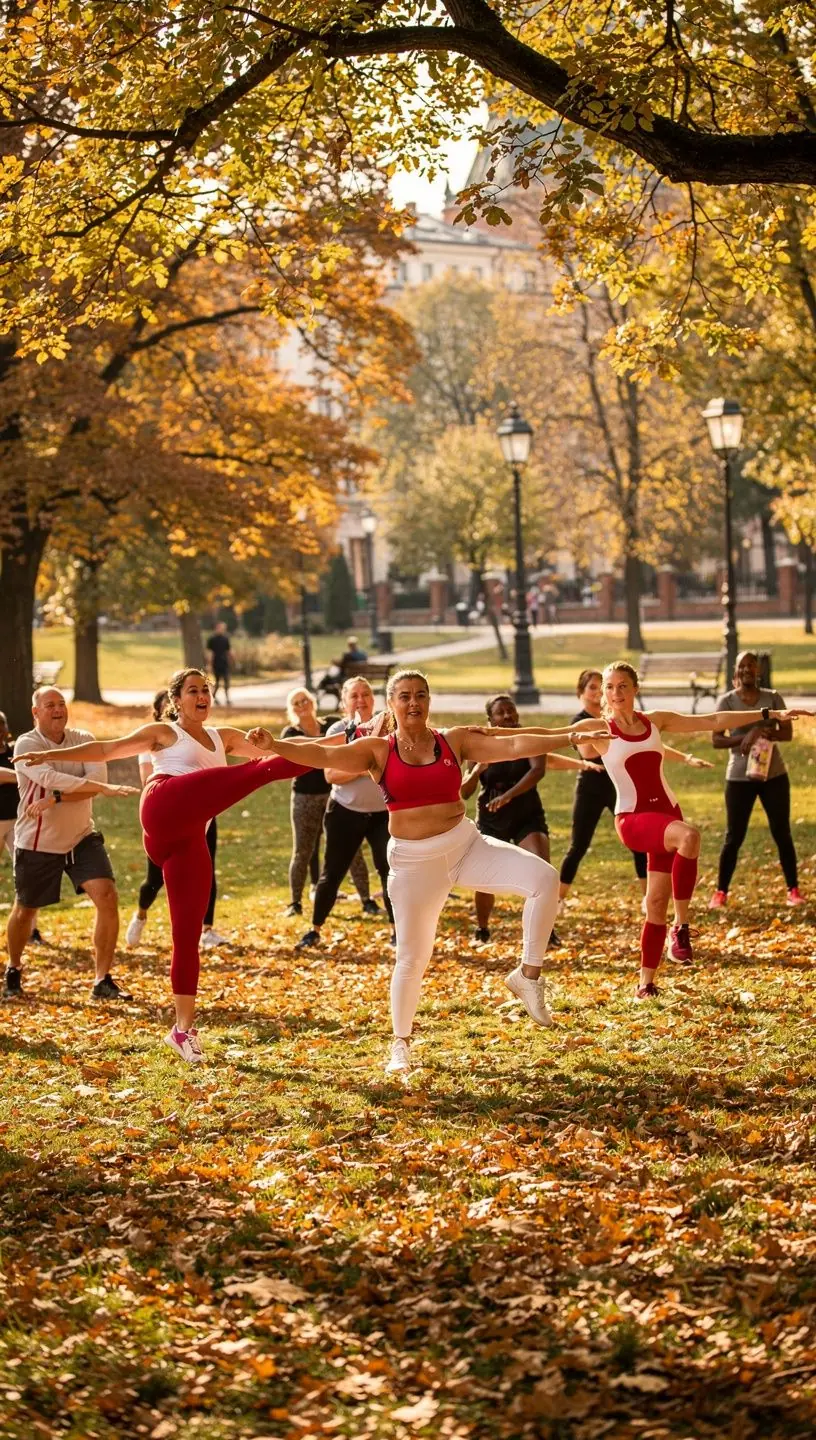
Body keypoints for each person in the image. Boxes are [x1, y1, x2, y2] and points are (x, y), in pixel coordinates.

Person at [252, 668, 607, 1074]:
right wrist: (277, 744)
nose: (414, 702)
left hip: (466, 846)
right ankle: (399, 1045)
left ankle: (528, 976)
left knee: (544, 879)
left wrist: (571, 735)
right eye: (404, 696)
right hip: (413, 864)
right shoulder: (377, 750)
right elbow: (324, 756)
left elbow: (514, 743)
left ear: (429, 701)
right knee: (412, 958)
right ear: (391, 704)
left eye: (421, 694)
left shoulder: (452, 741)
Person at [17, 669, 307, 1060]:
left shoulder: (226, 737)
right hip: (163, 808)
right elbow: (106, 749)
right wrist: (51, 754)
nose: (201, 695)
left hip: (188, 840)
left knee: (187, 936)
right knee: (258, 772)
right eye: (193, 691)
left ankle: (183, 1030)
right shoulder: (164, 732)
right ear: (177, 699)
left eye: (206, 690)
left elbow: (291, 752)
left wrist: (345, 743)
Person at [563, 661, 810, 1000]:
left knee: (655, 901)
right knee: (689, 836)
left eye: (623, 685)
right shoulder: (599, 727)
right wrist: (559, 738)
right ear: (603, 693)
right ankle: (681, 928)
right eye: (609, 687)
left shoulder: (655, 721)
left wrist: (768, 713)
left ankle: (645, 984)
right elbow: (560, 740)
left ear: (635, 689)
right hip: (633, 819)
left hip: (667, 813)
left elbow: (712, 721)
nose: (616, 692)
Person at [7, 688, 139, 1001]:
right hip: (39, 841)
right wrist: (91, 787)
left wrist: (58, 799)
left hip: (82, 837)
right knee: (26, 910)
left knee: (107, 896)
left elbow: (92, 784)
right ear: (35, 713)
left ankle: (101, 980)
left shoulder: (83, 740)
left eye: (62, 704)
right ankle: (13, 968)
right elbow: (54, 779)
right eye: (49, 705)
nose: (57, 710)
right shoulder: (27, 744)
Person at [558, 669, 713, 910]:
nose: (601, 691)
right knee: (579, 844)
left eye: (604, 686)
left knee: (645, 842)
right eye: (596, 687)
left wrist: (685, 757)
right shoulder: (586, 722)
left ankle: (649, 898)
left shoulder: (631, 720)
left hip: (618, 788)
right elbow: (567, 744)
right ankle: (558, 898)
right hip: (591, 786)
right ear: (581, 692)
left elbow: (646, 749)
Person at [461, 693, 597, 944]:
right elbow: (465, 791)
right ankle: (482, 929)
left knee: (543, 870)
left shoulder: (530, 737)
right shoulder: (479, 743)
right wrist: (478, 769)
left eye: (510, 710)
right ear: (490, 719)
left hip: (526, 811)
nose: (507, 716)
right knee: (484, 878)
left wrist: (509, 796)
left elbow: (537, 770)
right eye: (500, 712)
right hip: (491, 815)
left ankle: (546, 931)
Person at [125, 689, 229, 951]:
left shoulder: (198, 738)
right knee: (155, 880)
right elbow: (148, 782)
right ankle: (141, 913)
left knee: (207, 871)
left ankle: (207, 929)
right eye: (164, 709)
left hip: (202, 817)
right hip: (165, 821)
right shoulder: (151, 742)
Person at [296, 675, 394, 949]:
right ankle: (314, 929)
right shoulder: (338, 731)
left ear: (374, 700)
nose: (361, 700)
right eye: (354, 696)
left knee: (389, 872)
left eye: (366, 694)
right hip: (345, 812)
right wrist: (369, 766)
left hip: (382, 814)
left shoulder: (387, 728)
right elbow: (332, 775)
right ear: (344, 703)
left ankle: (397, 931)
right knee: (332, 873)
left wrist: (366, 766)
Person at [709, 651, 804, 908]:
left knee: (781, 832)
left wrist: (762, 730)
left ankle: (793, 890)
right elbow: (716, 739)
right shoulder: (727, 701)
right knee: (734, 836)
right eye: (742, 666)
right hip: (739, 777)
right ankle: (721, 892)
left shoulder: (772, 698)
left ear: (758, 671)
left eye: (751, 665)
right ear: (736, 672)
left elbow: (786, 734)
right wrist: (745, 737)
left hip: (773, 775)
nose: (746, 669)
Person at [282, 688, 336, 917]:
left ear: (313, 702)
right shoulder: (290, 732)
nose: (302, 705)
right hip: (304, 796)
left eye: (305, 700)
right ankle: (295, 903)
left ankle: (363, 899)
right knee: (302, 852)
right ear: (292, 710)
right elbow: (288, 757)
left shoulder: (332, 725)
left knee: (340, 849)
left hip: (333, 794)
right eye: (296, 703)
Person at [0, 711, 18, 859]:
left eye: (2, 724)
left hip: (15, 820)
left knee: (21, 866)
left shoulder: (15, 751)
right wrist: (22, 777)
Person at [206, 620, 232, 705]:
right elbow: (210, 653)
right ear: (217, 628)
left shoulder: (225, 639)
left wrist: (232, 661)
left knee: (226, 681)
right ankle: (213, 696)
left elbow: (228, 651)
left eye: (224, 628)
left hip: (224, 663)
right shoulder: (212, 639)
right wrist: (209, 664)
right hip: (216, 664)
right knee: (217, 682)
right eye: (221, 628)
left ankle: (227, 699)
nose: (223, 629)